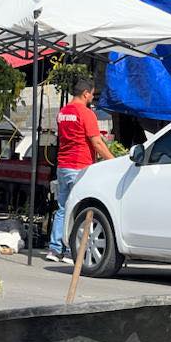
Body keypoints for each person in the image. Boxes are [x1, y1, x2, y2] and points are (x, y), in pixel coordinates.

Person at [47, 78, 114, 262]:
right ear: (86, 94)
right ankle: (71, 251)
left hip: (63, 166)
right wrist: (114, 162)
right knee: (77, 209)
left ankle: (54, 249)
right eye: (92, 94)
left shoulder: (62, 112)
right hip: (80, 166)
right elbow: (97, 142)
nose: (92, 97)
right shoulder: (86, 113)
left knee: (62, 208)